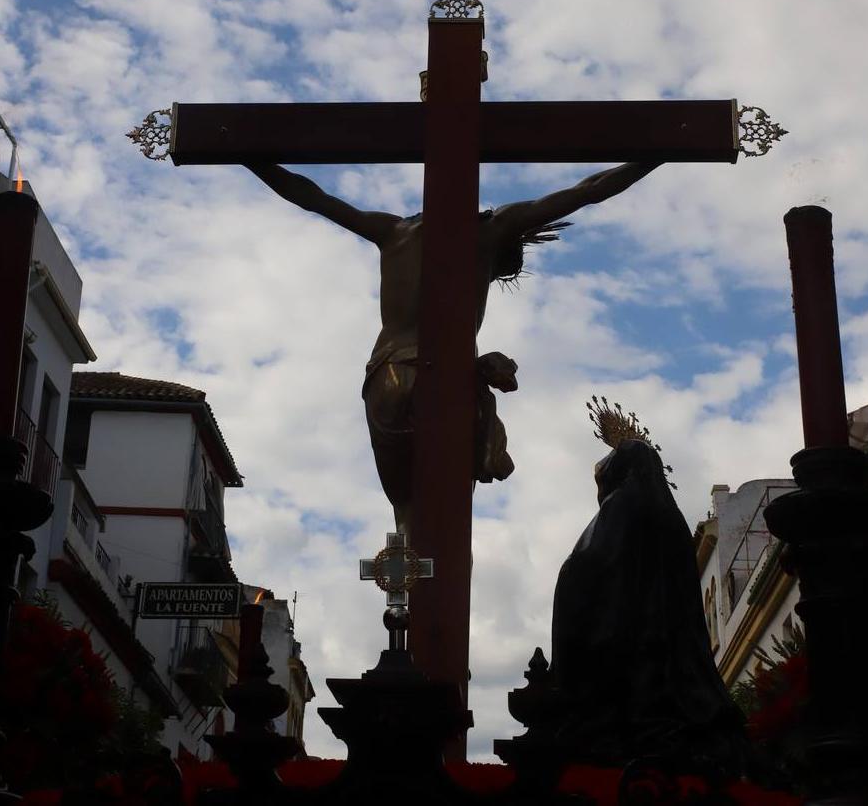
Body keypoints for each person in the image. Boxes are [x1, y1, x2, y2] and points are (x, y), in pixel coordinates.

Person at [245, 163, 662, 530]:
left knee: (404, 508)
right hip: (445, 379)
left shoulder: (389, 230)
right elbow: (589, 190)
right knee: (452, 515)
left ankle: (403, 587)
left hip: (386, 377)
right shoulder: (492, 229)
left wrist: (251, 158)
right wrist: (659, 153)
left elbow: (310, 195)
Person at [550, 438, 746, 770]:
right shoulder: (673, 518)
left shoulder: (622, 506)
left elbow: (589, 565)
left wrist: (569, 575)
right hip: (673, 656)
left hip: (626, 649)